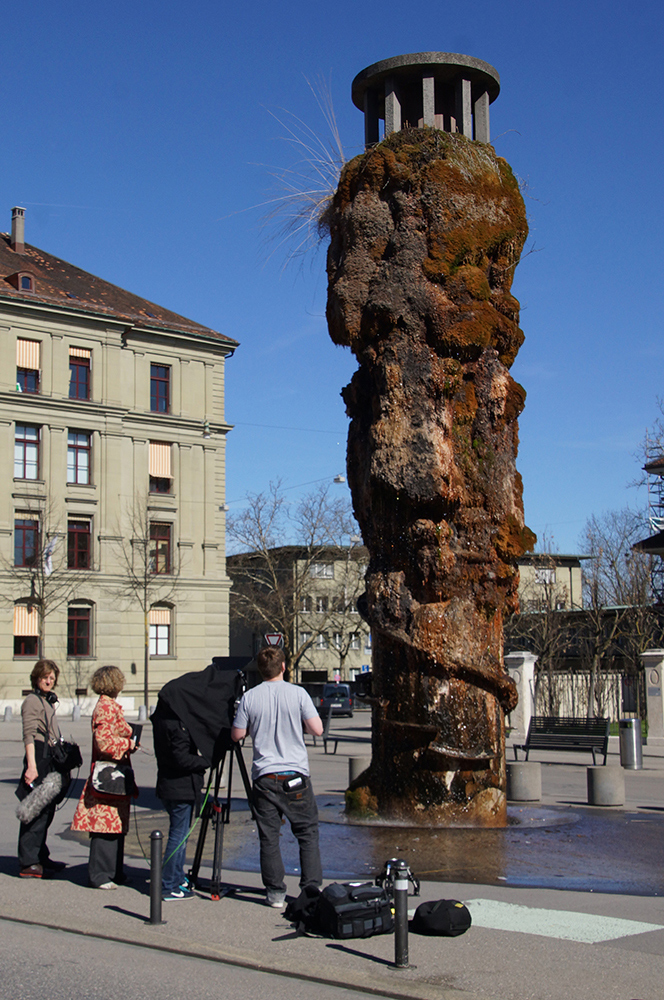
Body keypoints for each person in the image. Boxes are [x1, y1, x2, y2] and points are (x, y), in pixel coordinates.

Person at [231, 646, 324, 907]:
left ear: (260, 670)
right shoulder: (298, 693)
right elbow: (317, 729)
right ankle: (310, 890)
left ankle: (275, 892)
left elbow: (237, 735)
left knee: (269, 836)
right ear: (284, 667)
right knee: (306, 832)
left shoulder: (250, 697)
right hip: (295, 775)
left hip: (264, 776)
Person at [71, 665, 137, 889]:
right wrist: (128, 743)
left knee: (115, 825)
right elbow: (104, 742)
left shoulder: (109, 706)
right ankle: (100, 875)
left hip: (115, 773)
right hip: (107, 775)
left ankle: (114, 871)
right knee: (104, 826)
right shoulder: (106, 708)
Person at [151, 699, 210, 901]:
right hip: (179, 788)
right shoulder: (177, 726)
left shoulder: (163, 721)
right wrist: (206, 761)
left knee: (181, 836)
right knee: (178, 837)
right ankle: (169, 885)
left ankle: (176, 877)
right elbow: (182, 758)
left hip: (170, 786)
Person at [16, 659, 68, 878]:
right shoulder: (32, 701)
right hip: (37, 757)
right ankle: (29, 862)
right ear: (37, 678)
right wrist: (31, 766)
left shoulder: (46, 701)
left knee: (46, 811)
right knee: (35, 811)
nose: (49, 680)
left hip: (48, 758)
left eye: (52, 678)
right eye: (45, 677)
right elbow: (28, 734)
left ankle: (40, 855)